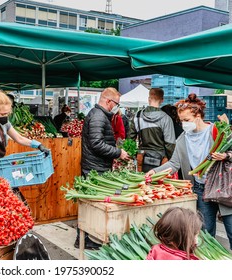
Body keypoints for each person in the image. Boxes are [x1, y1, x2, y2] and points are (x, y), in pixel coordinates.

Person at [146, 93, 232, 250]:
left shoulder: (217, 131)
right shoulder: (183, 139)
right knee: (205, 234)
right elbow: (174, 163)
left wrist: (226, 155)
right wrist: (155, 171)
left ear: (198, 115)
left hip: (224, 187)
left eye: (187, 120)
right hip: (200, 188)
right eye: (181, 121)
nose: (184, 124)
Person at [75, 87, 130, 249]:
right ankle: (85, 239)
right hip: (94, 168)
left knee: (90, 205)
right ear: (108, 101)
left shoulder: (99, 115)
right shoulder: (99, 116)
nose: (117, 107)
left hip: (95, 166)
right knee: (91, 206)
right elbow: (97, 143)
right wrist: (118, 152)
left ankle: (86, 238)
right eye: (116, 104)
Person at [129, 88, 176, 172]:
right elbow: (170, 144)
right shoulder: (166, 118)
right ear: (162, 100)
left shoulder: (137, 116)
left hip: (141, 157)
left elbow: (130, 139)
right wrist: (170, 159)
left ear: (149, 99)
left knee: (142, 181)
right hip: (161, 160)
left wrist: (131, 155)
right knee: (157, 184)